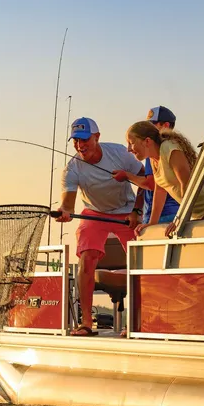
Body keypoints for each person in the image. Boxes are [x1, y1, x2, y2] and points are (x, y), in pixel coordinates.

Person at [55, 117, 145, 336]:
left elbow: (146, 180)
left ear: (97, 137)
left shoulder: (119, 154)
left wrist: (137, 212)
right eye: (75, 140)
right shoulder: (72, 169)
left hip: (127, 210)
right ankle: (86, 322)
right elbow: (67, 202)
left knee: (142, 263)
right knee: (86, 257)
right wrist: (64, 212)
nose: (80, 145)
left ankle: (137, 322)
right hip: (94, 212)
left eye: (84, 139)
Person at [121, 120, 204, 237]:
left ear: (147, 141)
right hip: (200, 214)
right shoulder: (154, 159)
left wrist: (179, 219)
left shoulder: (169, 149)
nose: (128, 149)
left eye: (131, 143)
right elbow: (160, 190)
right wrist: (152, 223)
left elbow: (186, 184)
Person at [112, 106, 181, 225]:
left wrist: (127, 176)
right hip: (171, 214)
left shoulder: (154, 152)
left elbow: (150, 184)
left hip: (166, 216)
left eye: (153, 124)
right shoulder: (169, 148)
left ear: (166, 126)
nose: (148, 129)